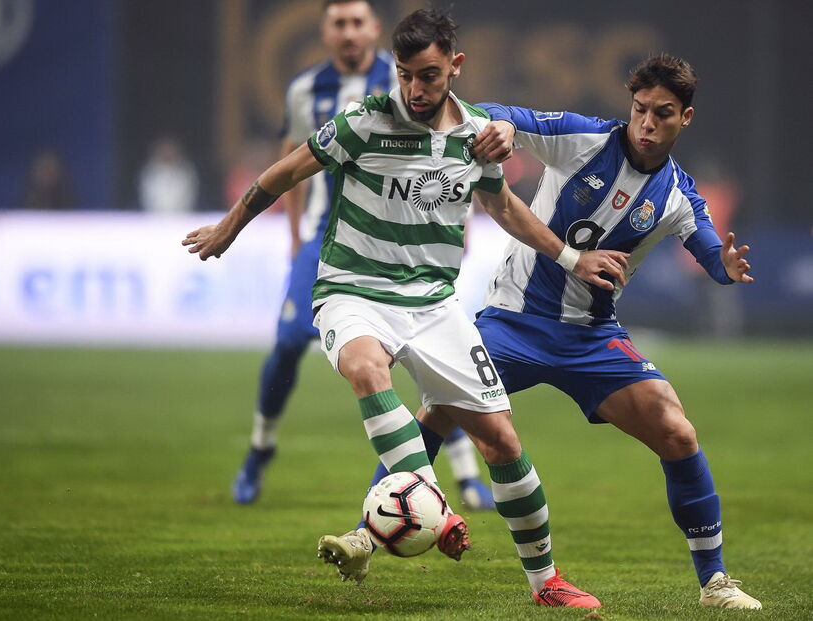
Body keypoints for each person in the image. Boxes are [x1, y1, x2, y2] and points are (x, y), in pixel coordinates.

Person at [184, 6, 626, 598]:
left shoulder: (474, 136)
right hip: (352, 289)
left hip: (433, 305)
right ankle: (431, 506)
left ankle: (546, 581)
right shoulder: (364, 121)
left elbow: (505, 209)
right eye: (406, 74)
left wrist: (572, 259)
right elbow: (285, 171)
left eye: (429, 75)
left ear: (455, 66)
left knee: (503, 442)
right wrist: (228, 228)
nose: (416, 89)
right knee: (367, 369)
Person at [340, 53, 761, 610]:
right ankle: (366, 534)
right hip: (513, 320)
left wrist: (724, 269)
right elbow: (500, 113)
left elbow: (709, 250)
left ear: (685, 118)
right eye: (640, 109)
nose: (647, 123)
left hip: (590, 336)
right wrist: (505, 129)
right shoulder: (585, 139)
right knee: (439, 409)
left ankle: (715, 583)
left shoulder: (680, 195)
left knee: (677, 431)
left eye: (663, 113)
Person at [231, 0, 497, 512]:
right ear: (326, 32)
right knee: (287, 344)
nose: (349, 33)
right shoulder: (305, 90)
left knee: (428, 355)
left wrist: (451, 223)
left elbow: (446, 153)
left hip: (403, 238)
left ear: (375, 30)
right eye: (339, 24)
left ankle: (464, 476)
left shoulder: (407, 79)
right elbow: (291, 164)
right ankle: (260, 449)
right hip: (322, 238)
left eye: (358, 23)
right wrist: (293, 240)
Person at [139, 136, 200, 213]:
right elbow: (147, 195)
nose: (167, 154)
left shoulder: (186, 171)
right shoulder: (149, 172)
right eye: (164, 151)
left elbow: (189, 194)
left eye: (170, 150)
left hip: (182, 215)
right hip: (153, 216)